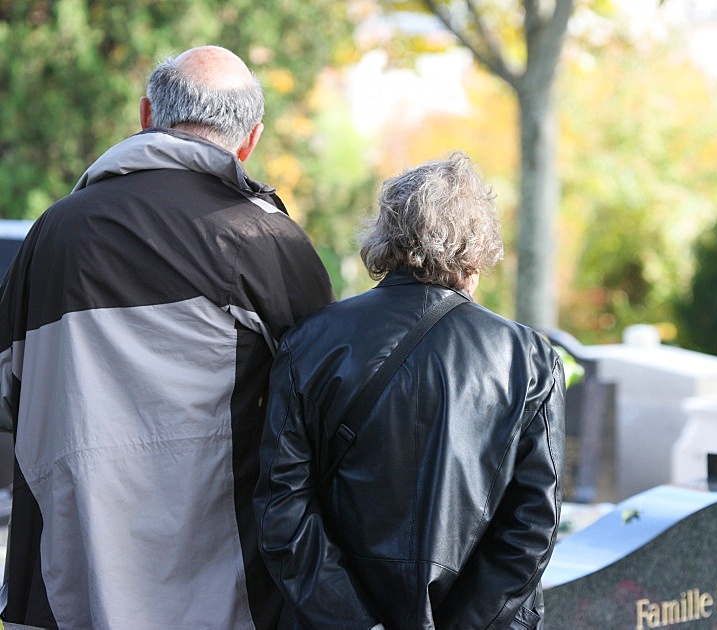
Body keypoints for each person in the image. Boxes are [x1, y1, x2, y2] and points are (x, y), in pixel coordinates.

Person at [0, 46, 333, 628]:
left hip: (64, 587)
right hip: (220, 591)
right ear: (250, 139)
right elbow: (326, 409)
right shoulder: (264, 239)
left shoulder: (53, 234)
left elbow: (8, 393)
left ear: (147, 114)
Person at [255, 152, 565, 629]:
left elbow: (283, 510)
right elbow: (532, 528)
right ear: (479, 245)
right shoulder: (527, 358)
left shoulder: (311, 341)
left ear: (387, 236)